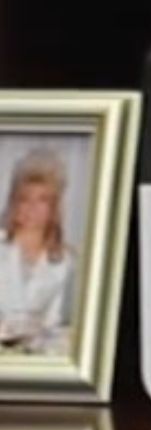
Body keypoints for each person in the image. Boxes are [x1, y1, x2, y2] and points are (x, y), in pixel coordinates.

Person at [0, 148, 73, 354]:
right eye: (24, 199)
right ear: (14, 204)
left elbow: (53, 324)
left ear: (54, 209)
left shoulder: (63, 260)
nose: (31, 208)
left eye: (42, 200)